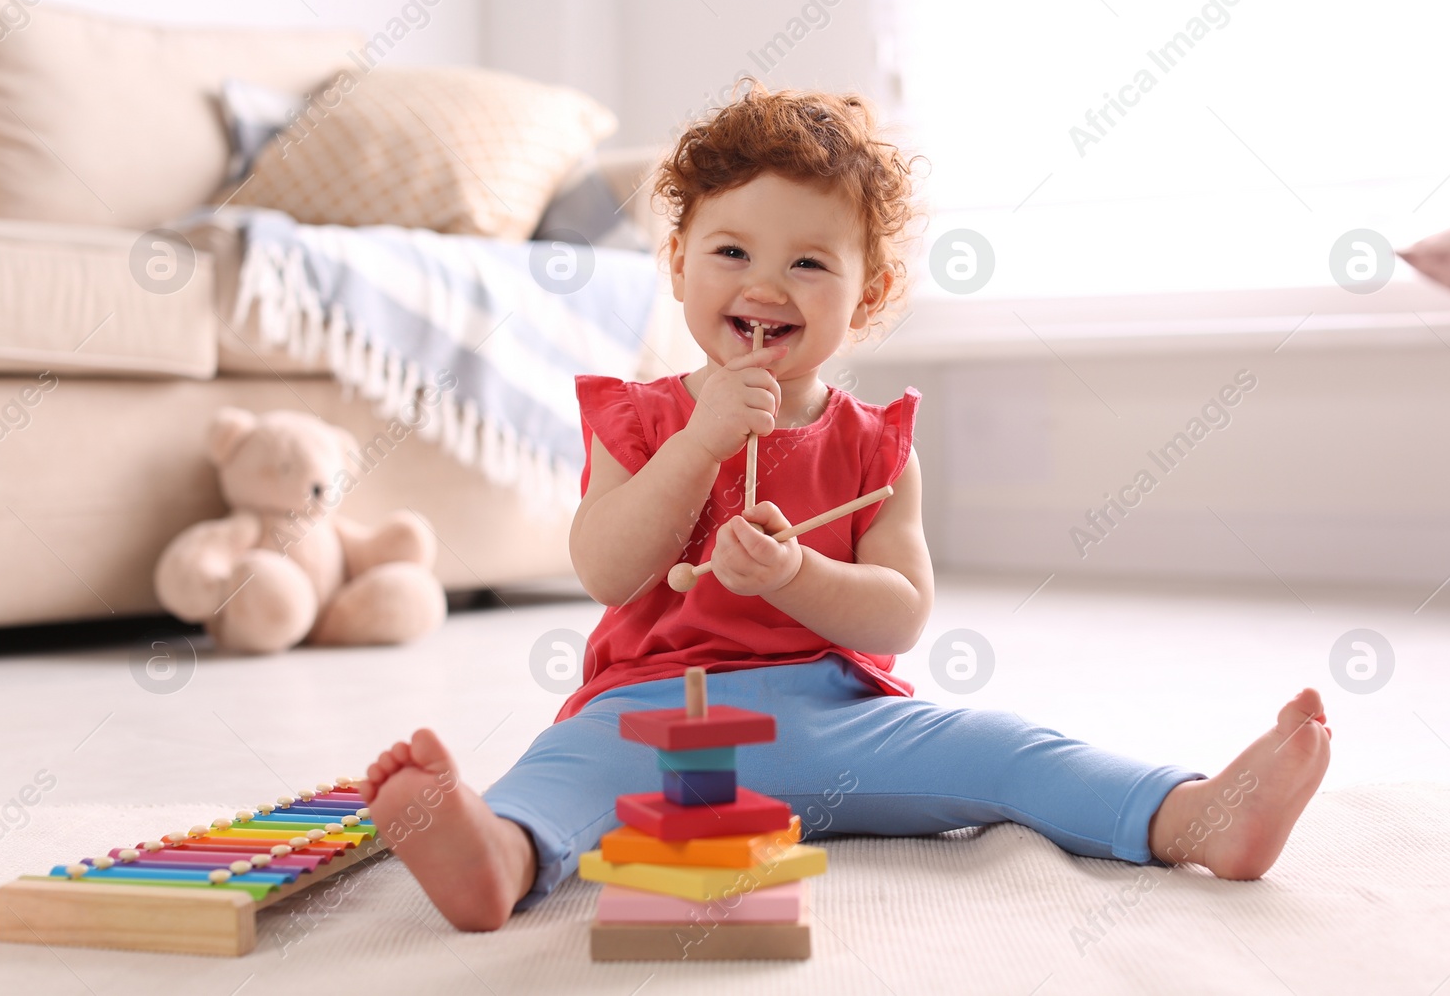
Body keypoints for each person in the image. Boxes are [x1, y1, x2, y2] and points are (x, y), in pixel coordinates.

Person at [358, 81, 1332, 931]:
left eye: (810, 263)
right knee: (561, 766)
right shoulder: (640, 419)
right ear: (680, 265)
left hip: (836, 718)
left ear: (869, 294)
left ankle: (1198, 816)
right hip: (653, 714)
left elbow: (901, 611)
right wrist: (700, 446)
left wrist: (797, 574)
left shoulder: (876, 444)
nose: (765, 284)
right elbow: (606, 568)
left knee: (1007, 749)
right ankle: (501, 855)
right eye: (731, 250)